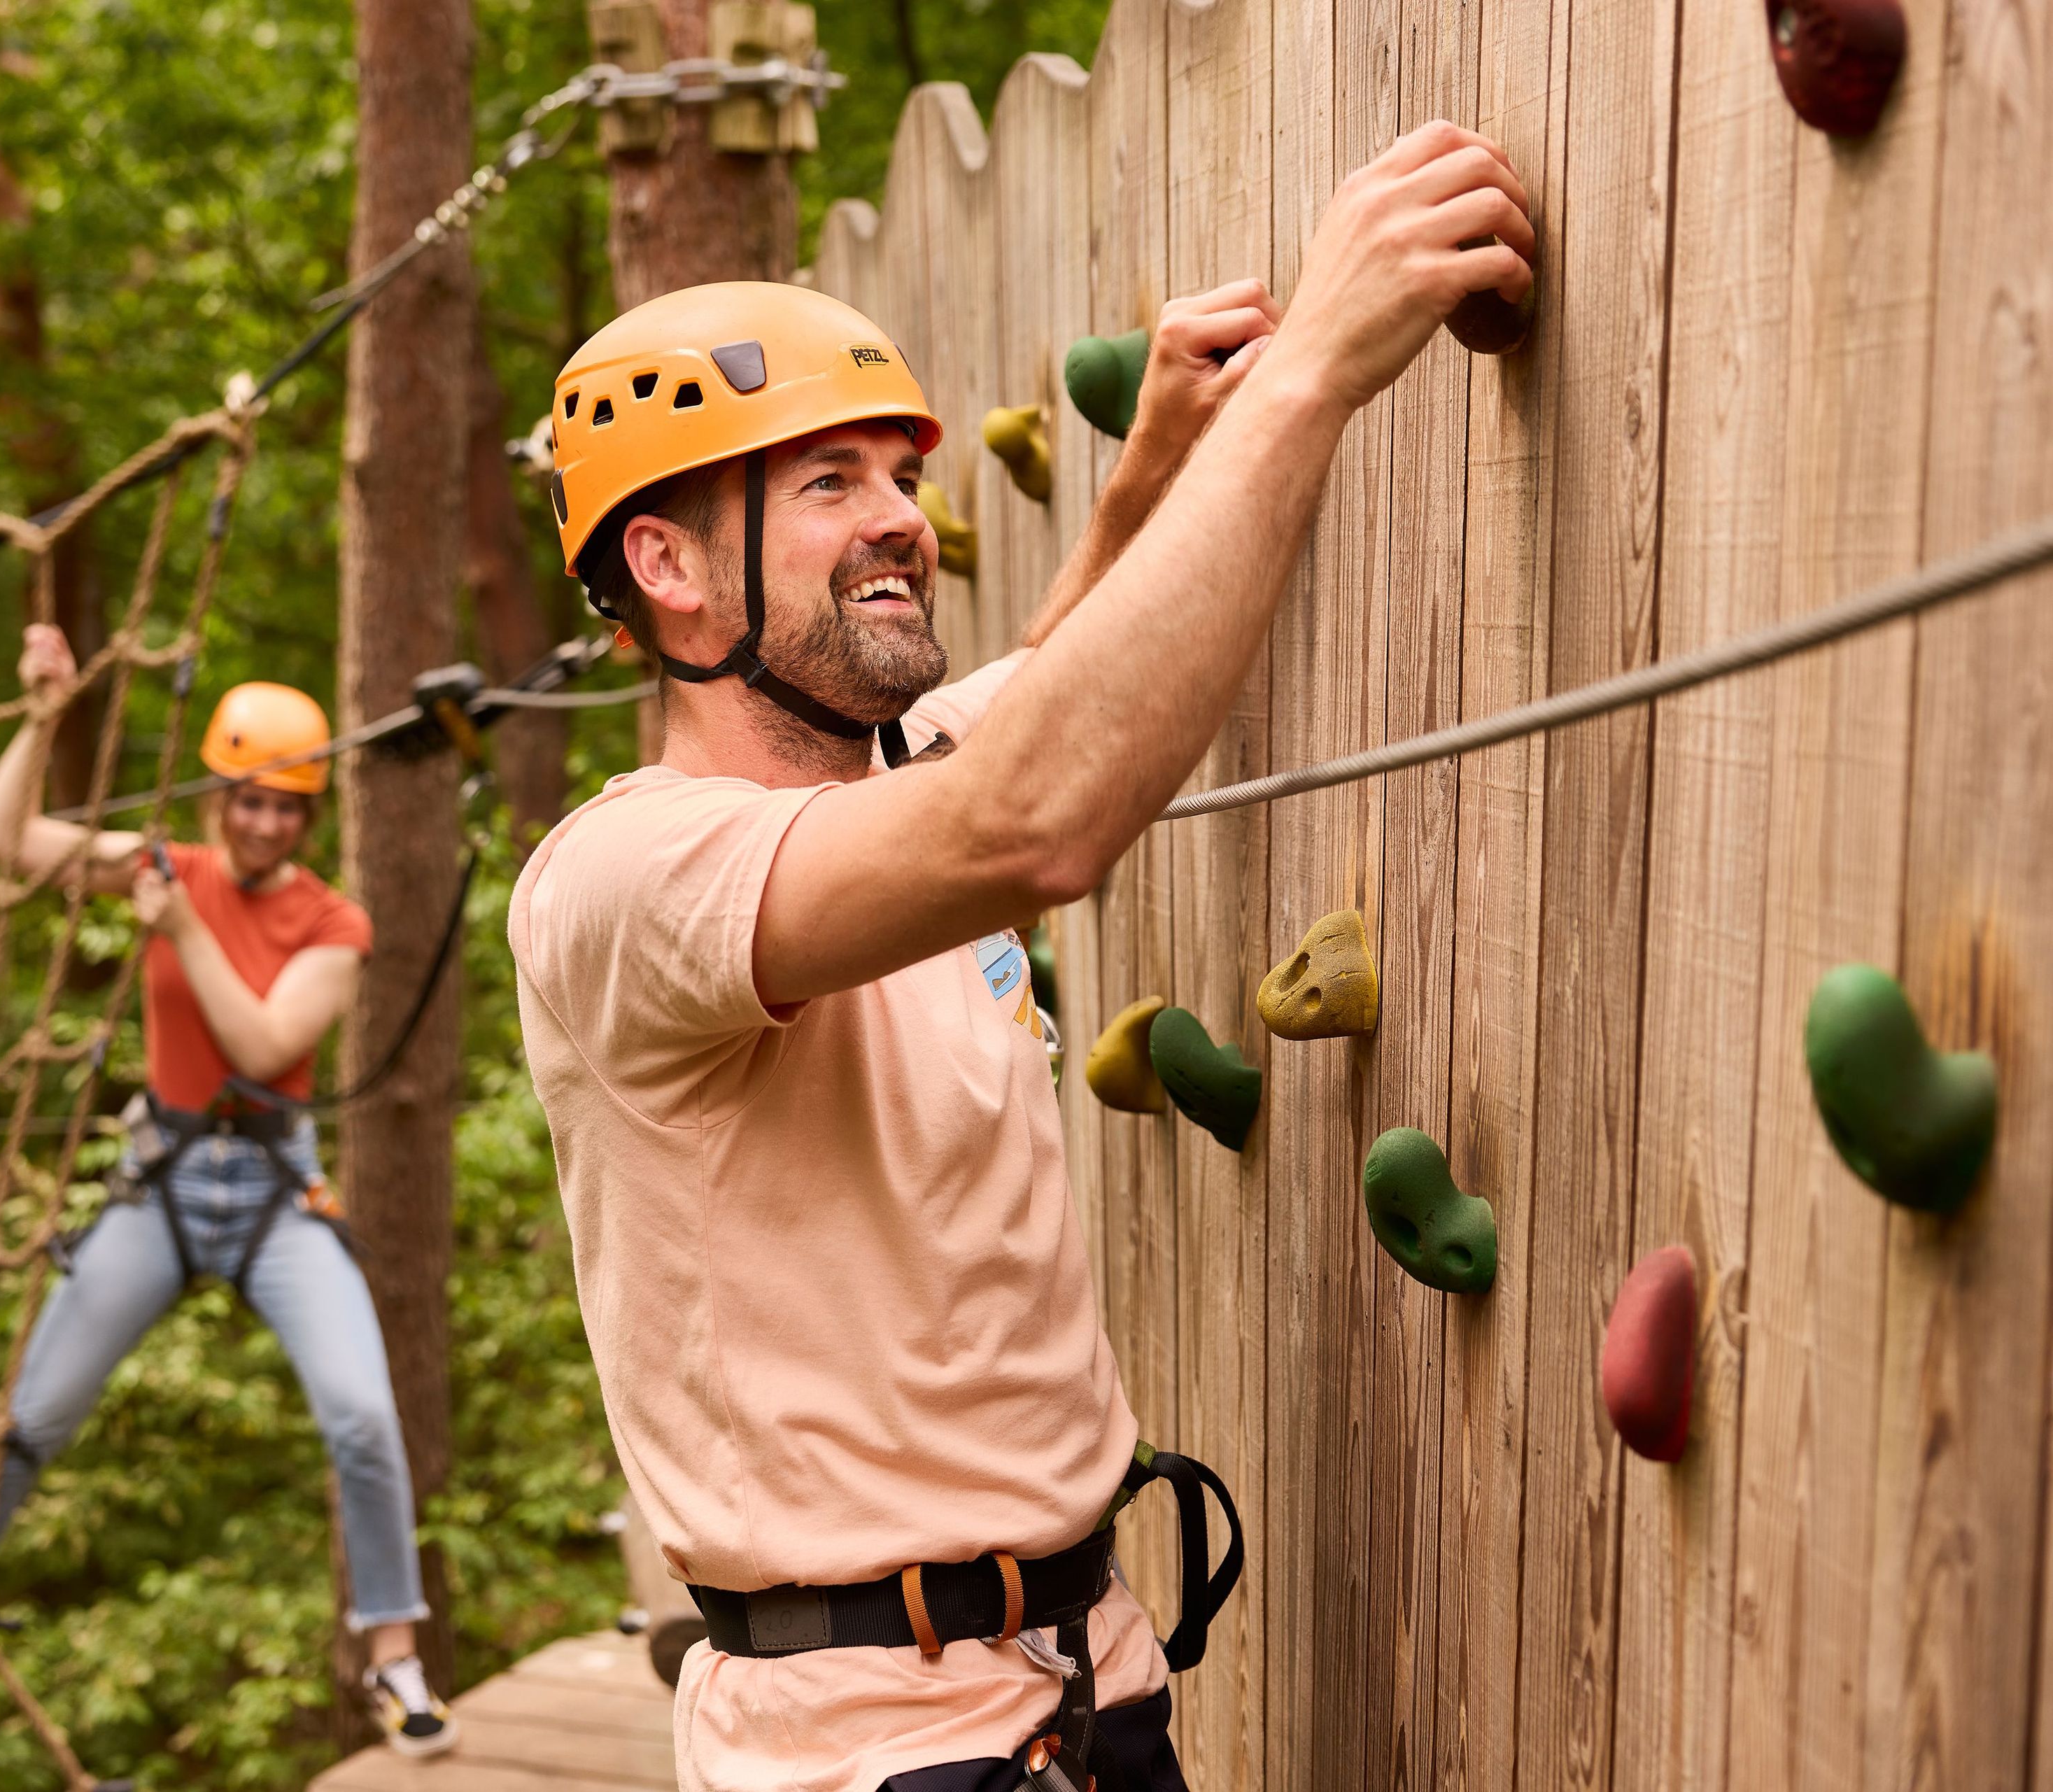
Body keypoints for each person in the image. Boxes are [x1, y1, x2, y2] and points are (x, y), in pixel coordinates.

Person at [509, 123, 1534, 1790]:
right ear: (670, 567)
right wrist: (1314, 378)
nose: (899, 518)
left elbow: (1039, 711)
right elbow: (1032, 817)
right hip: (867, 1748)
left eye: (902, 478)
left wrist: (1152, 480)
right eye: (831, 483)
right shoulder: (625, 880)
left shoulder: (888, 796)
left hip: (1082, 1682)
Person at [0, 627, 456, 1758]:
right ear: (217, 797)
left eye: (287, 807)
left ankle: (393, 1656)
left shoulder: (332, 924)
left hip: (271, 1189)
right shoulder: (165, 865)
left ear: (309, 816)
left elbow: (262, 1043)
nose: (263, 824)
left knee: (360, 1413)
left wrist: (182, 924)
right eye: (247, 801)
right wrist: (46, 715)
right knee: (36, 1414)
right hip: (162, 1182)